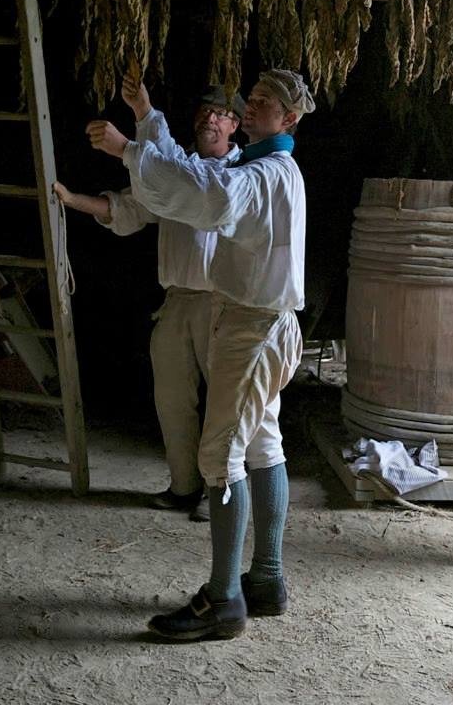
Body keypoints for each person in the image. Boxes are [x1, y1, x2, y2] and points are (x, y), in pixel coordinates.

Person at [84, 68, 315, 642]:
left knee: (219, 457)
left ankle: (223, 599)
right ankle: (266, 578)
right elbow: (195, 176)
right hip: (264, 323)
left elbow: (203, 193)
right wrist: (145, 130)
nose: (254, 106)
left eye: (266, 104)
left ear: (287, 120)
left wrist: (132, 151)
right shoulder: (270, 169)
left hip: (253, 328)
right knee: (262, 444)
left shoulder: (261, 175)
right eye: (253, 99)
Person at [54, 80, 245, 522]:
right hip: (178, 300)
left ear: (235, 124)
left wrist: (142, 114)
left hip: (223, 303)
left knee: (226, 406)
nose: (209, 120)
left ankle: (222, 495)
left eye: (220, 114)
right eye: (204, 112)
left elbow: (171, 173)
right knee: (173, 400)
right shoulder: (177, 174)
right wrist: (71, 200)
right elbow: (129, 209)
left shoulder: (243, 173)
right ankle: (184, 487)